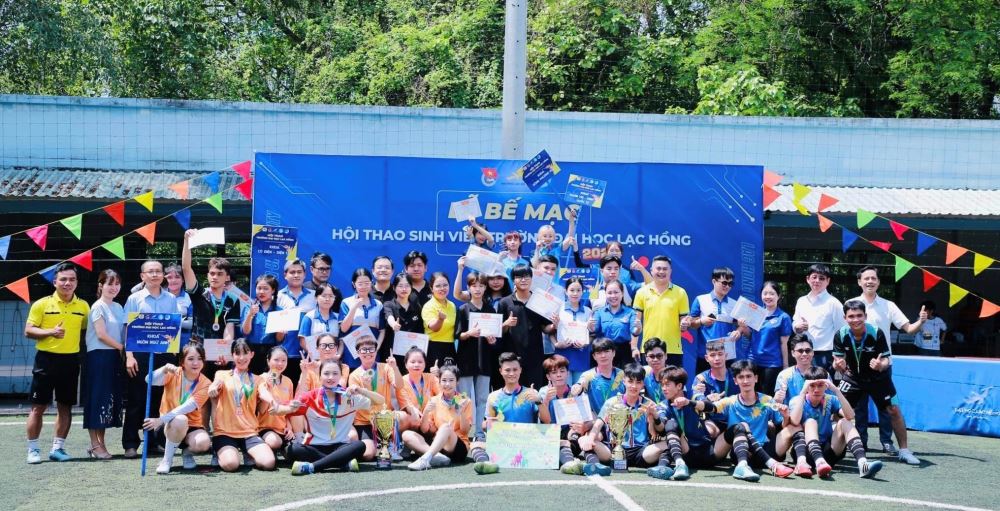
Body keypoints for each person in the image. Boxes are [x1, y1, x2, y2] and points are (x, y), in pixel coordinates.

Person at [833, 299, 920, 465]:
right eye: (851, 316)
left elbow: (886, 359)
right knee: (836, 411)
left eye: (859, 315)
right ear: (845, 318)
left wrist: (881, 365)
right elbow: (837, 361)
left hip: (878, 378)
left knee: (894, 410)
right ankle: (836, 449)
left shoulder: (876, 332)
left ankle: (904, 451)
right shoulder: (840, 334)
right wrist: (838, 365)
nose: (855, 319)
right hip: (853, 378)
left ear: (865, 316)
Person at [853, 265, 928, 455]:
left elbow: (909, 329)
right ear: (859, 282)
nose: (870, 281)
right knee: (859, 407)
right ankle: (860, 441)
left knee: (886, 406)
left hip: (883, 364)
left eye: (873, 278)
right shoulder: (851, 304)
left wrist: (921, 321)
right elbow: (841, 332)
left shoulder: (888, 305)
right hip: (857, 364)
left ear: (878, 282)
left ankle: (886, 441)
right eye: (866, 278)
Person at [24, 262, 89, 464]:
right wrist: (50, 332)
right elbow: (28, 330)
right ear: (55, 282)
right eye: (63, 279)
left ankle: (57, 448)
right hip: (45, 360)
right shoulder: (41, 304)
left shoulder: (83, 306)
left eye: (72, 279)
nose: (67, 283)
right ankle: (33, 450)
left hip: (70, 361)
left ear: (76, 282)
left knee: (65, 407)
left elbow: (86, 331)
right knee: (38, 407)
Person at [208, 340, 299, 472]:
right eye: (237, 353)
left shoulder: (258, 379)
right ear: (232, 355)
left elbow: (263, 393)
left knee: (269, 463)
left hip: (249, 432)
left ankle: (247, 451)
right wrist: (212, 388)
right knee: (231, 465)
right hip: (225, 432)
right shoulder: (221, 374)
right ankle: (218, 451)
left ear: (251, 354)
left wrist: (272, 401)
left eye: (245, 353)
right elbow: (215, 384)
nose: (241, 358)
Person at [122, 259, 178, 459]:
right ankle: (130, 444)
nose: (154, 275)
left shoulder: (171, 299)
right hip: (140, 355)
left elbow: (174, 326)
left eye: (158, 271)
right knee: (136, 399)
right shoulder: (134, 298)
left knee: (158, 399)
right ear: (142, 276)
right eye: (150, 271)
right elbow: (127, 328)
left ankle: (154, 442)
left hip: (163, 355)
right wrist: (129, 356)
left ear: (163, 275)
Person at [287, 360, 382, 475]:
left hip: (340, 446)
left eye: (335, 373)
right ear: (320, 376)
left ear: (341, 376)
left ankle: (312, 467)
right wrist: (281, 407)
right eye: (326, 373)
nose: (331, 377)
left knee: (360, 445)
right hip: (314, 447)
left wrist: (362, 390)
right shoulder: (311, 396)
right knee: (293, 449)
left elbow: (380, 401)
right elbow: (288, 407)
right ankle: (341, 462)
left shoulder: (349, 396)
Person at [788, 366, 883, 479]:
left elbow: (850, 416)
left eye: (820, 385)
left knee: (845, 422)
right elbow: (795, 421)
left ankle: (863, 464)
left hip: (828, 451)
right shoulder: (797, 400)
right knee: (810, 422)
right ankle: (819, 462)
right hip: (805, 453)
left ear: (826, 385)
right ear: (806, 385)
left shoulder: (830, 399)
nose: (816, 390)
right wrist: (803, 392)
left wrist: (837, 391)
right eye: (812, 385)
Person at [710, 360, 794, 481]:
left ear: (756, 378)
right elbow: (710, 409)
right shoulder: (730, 401)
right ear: (735, 380)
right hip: (742, 452)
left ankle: (802, 463)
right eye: (741, 377)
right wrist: (707, 399)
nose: (745, 381)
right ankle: (770, 465)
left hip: (764, 449)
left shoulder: (766, 400)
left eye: (749, 376)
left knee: (793, 428)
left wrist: (785, 416)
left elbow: (783, 426)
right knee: (741, 426)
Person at [577, 362, 664, 475]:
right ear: (624, 381)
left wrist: (655, 416)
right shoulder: (612, 402)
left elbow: (660, 430)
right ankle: (594, 465)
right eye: (630, 381)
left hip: (641, 452)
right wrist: (590, 439)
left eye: (638, 382)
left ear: (643, 384)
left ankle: (662, 468)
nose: (634, 386)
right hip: (613, 451)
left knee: (668, 444)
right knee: (584, 439)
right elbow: (598, 424)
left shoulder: (649, 404)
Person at [143, 342, 213, 473]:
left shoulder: (206, 383)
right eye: (190, 359)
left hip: (189, 426)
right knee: (180, 419)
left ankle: (187, 453)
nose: (196, 363)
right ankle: (167, 460)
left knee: (204, 443)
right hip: (167, 426)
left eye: (199, 359)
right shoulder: (173, 373)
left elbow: (187, 406)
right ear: (182, 362)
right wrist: (163, 369)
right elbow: (148, 380)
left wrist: (160, 419)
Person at [469, 352, 543, 474]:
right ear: (500, 371)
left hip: (527, 442)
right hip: (504, 444)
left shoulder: (531, 393)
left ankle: (569, 463)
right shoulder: (493, 396)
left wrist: (539, 401)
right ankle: (485, 464)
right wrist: (488, 423)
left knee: (561, 443)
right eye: (507, 370)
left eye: (515, 369)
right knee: (474, 445)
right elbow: (485, 426)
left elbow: (546, 420)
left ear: (520, 370)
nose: (512, 373)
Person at [182, 229, 240, 378]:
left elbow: (229, 329)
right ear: (208, 275)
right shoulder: (199, 293)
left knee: (217, 389)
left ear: (227, 277)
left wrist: (224, 352)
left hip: (217, 353)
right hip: (196, 352)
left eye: (220, 274)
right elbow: (186, 268)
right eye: (212, 273)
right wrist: (187, 241)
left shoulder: (233, 300)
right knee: (196, 389)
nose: (215, 277)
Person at [348, 335, 415, 461]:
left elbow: (399, 385)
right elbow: (360, 403)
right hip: (365, 421)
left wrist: (395, 367)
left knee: (404, 417)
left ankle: (393, 444)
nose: (368, 353)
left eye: (371, 349)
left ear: (376, 350)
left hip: (385, 417)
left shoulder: (386, 367)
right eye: (364, 350)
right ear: (358, 353)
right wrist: (366, 387)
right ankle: (380, 445)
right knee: (368, 455)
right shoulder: (354, 375)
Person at [83, 269, 125, 460]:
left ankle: (101, 443)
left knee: (106, 401)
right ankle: (94, 444)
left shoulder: (118, 307)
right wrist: (122, 347)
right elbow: (101, 334)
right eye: (110, 283)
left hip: (114, 357)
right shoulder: (97, 306)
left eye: (117, 284)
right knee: (97, 399)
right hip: (99, 357)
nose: (114, 287)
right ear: (101, 286)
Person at [650, 365, 720, 480]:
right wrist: (655, 417)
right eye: (662, 385)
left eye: (667, 385)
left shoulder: (694, 396)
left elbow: (711, 407)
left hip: (706, 452)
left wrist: (689, 403)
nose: (663, 388)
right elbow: (661, 429)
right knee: (670, 425)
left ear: (679, 386)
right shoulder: (662, 405)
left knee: (737, 428)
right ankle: (677, 465)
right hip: (685, 453)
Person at [403, 360, 474, 470]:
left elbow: (465, 431)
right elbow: (425, 430)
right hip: (438, 444)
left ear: (457, 382)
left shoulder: (465, 401)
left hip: (456, 448)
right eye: (444, 380)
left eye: (451, 380)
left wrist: (462, 413)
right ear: (439, 381)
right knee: (406, 434)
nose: (447, 384)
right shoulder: (434, 400)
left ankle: (425, 459)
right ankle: (438, 457)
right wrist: (426, 412)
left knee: (446, 427)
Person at [455, 272, 498, 439]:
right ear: (468, 288)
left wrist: (493, 341)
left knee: (482, 399)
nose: (478, 289)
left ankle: (479, 432)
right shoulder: (463, 309)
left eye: (481, 286)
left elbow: (495, 337)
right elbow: (458, 335)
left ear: (485, 288)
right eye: (474, 286)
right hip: (466, 360)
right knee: (463, 398)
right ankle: (462, 432)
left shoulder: (490, 309)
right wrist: (468, 333)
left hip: (484, 360)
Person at [496, 264, 552, 388]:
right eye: (519, 277)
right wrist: (506, 324)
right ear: (513, 280)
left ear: (532, 279)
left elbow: (545, 328)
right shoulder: (504, 302)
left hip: (535, 357)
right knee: (513, 392)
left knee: (534, 392)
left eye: (527, 276)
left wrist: (554, 325)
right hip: (511, 358)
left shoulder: (539, 301)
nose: (523, 280)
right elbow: (498, 331)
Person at [634, 255, 691, 366]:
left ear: (670, 271)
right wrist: (633, 347)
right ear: (651, 270)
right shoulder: (641, 292)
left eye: (665, 269)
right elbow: (635, 324)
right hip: (649, 350)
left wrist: (685, 324)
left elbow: (684, 323)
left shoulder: (681, 293)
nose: (661, 272)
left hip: (673, 350)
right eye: (658, 268)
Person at [537, 355, 587, 474]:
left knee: (576, 435)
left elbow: (586, 418)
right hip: (551, 434)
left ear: (568, 373)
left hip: (571, 435)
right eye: (554, 372)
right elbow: (544, 421)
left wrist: (581, 427)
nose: (559, 375)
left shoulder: (575, 391)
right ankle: (569, 462)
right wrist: (546, 401)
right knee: (555, 443)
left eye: (562, 371)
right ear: (548, 376)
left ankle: (568, 460)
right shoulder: (543, 392)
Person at [792, 263, 845, 371]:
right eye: (814, 277)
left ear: (828, 281)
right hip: (803, 352)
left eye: (821, 278)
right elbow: (795, 323)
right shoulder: (801, 301)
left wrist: (839, 356)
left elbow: (841, 331)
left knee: (822, 381)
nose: (817, 281)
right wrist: (797, 327)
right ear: (808, 279)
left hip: (824, 354)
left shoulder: (834, 303)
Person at [689, 267, 741, 368]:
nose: (727, 286)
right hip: (706, 355)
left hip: (727, 355)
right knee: (703, 379)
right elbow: (691, 324)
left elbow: (741, 325)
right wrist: (701, 321)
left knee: (728, 379)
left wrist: (738, 331)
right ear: (714, 281)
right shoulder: (700, 300)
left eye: (730, 284)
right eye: (724, 283)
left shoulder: (734, 304)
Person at [750, 281, 793, 394]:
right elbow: (750, 335)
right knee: (752, 395)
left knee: (766, 397)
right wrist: (743, 326)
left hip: (772, 364)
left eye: (772, 293)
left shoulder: (784, 317)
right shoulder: (756, 313)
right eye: (765, 293)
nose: (768, 296)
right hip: (753, 361)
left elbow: (784, 343)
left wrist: (785, 366)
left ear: (778, 296)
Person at [276, 259, 317, 376]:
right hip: (283, 356)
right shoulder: (278, 296)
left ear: (305, 274)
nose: (296, 275)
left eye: (299, 272)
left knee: (305, 386)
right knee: (281, 386)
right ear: (285, 275)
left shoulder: (314, 296)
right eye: (292, 272)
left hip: (308, 355)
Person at [339, 268, 384, 369]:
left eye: (367, 283)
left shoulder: (378, 304)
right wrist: (354, 307)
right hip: (352, 354)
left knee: (373, 377)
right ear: (354, 284)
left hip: (372, 353)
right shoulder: (346, 302)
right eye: (360, 284)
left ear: (371, 283)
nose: (363, 287)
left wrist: (376, 348)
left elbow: (382, 330)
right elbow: (343, 329)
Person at [691, 340, 738, 436]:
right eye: (712, 355)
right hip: (713, 419)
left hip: (736, 416)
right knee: (711, 430)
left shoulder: (736, 375)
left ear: (726, 356)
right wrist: (707, 399)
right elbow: (697, 401)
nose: (717, 358)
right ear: (706, 358)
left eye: (720, 354)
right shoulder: (701, 378)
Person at [554, 277, 595, 384]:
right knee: (563, 389)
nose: (575, 293)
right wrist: (556, 344)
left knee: (579, 388)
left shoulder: (588, 311)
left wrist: (586, 343)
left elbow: (592, 334)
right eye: (572, 290)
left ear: (582, 292)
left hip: (581, 355)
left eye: (578, 290)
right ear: (566, 291)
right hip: (562, 355)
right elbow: (550, 332)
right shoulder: (558, 309)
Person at [241, 273, 285, 375]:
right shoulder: (249, 308)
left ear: (273, 290)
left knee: (270, 381)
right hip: (251, 351)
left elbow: (279, 339)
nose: (261, 292)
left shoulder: (279, 311)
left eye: (265, 288)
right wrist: (250, 315)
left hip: (271, 352)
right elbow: (245, 332)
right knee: (251, 381)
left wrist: (281, 332)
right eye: (259, 288)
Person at [591, 280, 640, 368]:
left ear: (622, 293)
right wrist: (590, 327)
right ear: (605, 294)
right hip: (604, 352)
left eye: (616, 292)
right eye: (609, 293)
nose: (613, 296)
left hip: (624, 354)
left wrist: (638, 329)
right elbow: (594, 329)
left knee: (623, 376)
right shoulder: (599, 312)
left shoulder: (630, 312)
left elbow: (634, 331)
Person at [571, 338, 625, 417]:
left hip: (619, 419)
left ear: (613, 353)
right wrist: (577, 388)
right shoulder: (588, 375)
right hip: (596, 420)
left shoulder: (622, 374)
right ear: (594, 356)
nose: (603, 356)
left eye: (607, 351)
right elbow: (580, 384)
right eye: (599, 353)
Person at [257, 347, 295, 455]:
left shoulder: (288, 381)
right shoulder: (260, 379)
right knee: (275, 442)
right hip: (264, 427)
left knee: (296, 449)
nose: (280, 364)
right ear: (268, 360)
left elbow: (288, 409)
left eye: (284, 360)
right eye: (276, 360)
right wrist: (269, 388)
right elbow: (261, 410)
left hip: (282, 428)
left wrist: (289, 427)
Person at [382, 272, 425, 365]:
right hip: (393, 354)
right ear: (394, 288)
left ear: (411, 287)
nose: (404, 289)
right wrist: (393, 324)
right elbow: (389, 316)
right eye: (400, 286)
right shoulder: (389, 304)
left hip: (412, 355)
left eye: (407, 286)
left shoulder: (416, 306)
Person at [298, 282, 340, 375]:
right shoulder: (309, 317)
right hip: (314, 362)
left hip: (333, 363)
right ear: (316, 297)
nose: (327, 299)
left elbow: (341, 341)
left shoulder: (338, 318)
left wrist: (337, 355)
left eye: (331, 296)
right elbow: (302, 341)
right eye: (324, 296)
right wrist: (316, 356)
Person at [422, 272, 458, 367]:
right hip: (433, 348)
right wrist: (440, 319)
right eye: (438, 286)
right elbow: (434, 328)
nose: (442, 288)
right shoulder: (428, 306)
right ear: (431, 288)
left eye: (445, 285)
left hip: (450, 348)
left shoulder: (452, 305)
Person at [774, 335, 822, 404]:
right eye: (800, 351)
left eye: (808, 350)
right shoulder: (784, 375)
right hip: (791, 410)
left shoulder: (822, 374)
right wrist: (778, 399)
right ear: (793, 353)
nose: (804, 354)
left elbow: (831, 400)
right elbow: (778, 401)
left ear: (813, 352)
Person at [400, 347, 440, 429]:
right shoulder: (401, 381)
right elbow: (408, 406)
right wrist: (420, 417)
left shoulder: (431, 378)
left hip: (430, 421)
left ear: (425, 364)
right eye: (413, 362)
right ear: (406, 365)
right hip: (413, 420)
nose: (416, 365)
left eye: (420, 362)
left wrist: (439, 376)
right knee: (403, 417)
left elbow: (444, 394)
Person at [530, 206, 577, 272]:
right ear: (539, 238)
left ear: (554, 238)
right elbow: (534, 266)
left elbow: (570, 238)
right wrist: (537, 250)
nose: (548, 238)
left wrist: (571, 219)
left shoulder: (558, 248)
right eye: (545, 236)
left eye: (550, 236)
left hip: (556, 278)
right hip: (542, 278)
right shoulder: (534, 252)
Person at [164, 263, 194, 346]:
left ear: (183, 279)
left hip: (183, 343)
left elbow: (192, 324)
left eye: (177, 277)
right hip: (161, 341)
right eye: (169, 277)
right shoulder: (158, 295)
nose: (173, 280)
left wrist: (169, 320)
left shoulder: (189, 298)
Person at [641, 338, 668, 404]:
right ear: (646, 358)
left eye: (659, 356)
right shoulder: (644, 376)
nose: (655, 359)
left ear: (665, 356)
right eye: (651, 356)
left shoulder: (675, 375)